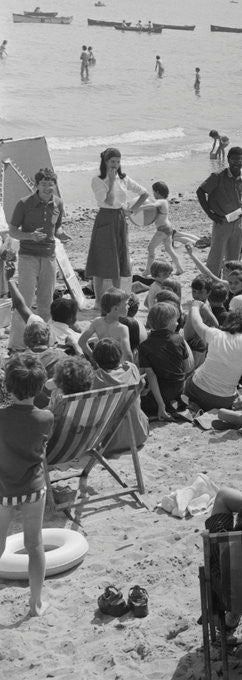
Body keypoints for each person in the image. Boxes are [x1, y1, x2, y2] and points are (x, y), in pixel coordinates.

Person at [0, 352, 53, 617]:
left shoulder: (1, 417)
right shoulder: (46, 418)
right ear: (41, 385)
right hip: (34, 488)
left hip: (4, 489)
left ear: (8, 386)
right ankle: (36, 603)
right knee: (35, 545)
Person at [7, 167, 70, 350]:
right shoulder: (24, 203)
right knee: (24, 302)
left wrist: (62, 234)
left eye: (51, 184)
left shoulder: (58, 203)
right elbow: (12, 231)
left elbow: (56, 228)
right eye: (44, 184)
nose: (48, 188)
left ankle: (45, 343)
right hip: (28, 257)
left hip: (49, 256)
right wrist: (30, 236)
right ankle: (17, 344)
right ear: (37, 185)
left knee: (46, 301)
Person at [85, 148, 149, 301]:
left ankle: (117, 298)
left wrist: (131, 210)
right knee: (101, 260)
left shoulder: (124, 178)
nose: (116, 165)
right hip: (105, 218)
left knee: (119, 259)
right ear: (106, 162)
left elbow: (144, 193)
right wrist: (112, 181)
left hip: (120, 218)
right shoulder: (97, 180)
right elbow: (108, 200)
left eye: (118, 162)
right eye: (113, 161)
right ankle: (99, 301)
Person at [183, 306, 242, 411]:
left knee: (196, 372)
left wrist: (195, 306)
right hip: (223, 401)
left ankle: (193, 405)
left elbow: (196, 323)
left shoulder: (216, 334)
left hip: (196, 392)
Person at [197, 146, 242, 276]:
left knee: (233, 260)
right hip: (221, 223)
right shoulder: (218, 177)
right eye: (233, 160)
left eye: (239, 160)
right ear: (228, 160)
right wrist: (210, 214)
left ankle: (230, 287)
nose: (236, 163)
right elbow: (200, 191)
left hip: (238, 223)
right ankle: (213, 285)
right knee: (215, 258)